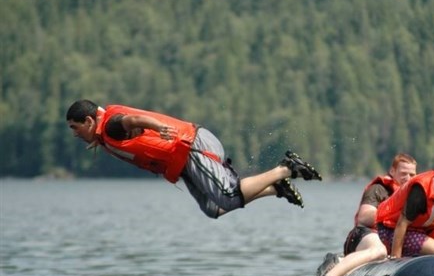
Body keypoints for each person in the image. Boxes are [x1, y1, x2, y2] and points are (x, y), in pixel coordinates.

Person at [66, 100, 322, 218]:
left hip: (190, 147)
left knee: (228, 196)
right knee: (214, 209)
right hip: (184, 160)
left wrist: (157, 127)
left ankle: (285, 169)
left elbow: (132, 121)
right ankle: (275, 189)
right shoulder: (105, 133)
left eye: (75, 128)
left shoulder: (110, 125)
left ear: (89, 121)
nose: (75, 134)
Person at [304, 153, 418, 276]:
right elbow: (364, 218)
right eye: (403, 173)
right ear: (393, 171)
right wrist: (395, 213)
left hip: (391, 240)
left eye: (412, 174)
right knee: (380, 251)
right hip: (364, 235)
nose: (408, 178)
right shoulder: (378, 189)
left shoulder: (415, 196)